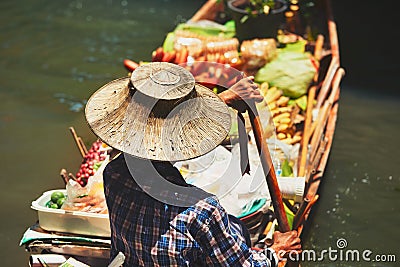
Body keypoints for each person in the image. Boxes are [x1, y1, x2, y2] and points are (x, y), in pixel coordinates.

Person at [84, 62, 301, 266]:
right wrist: (277, 250)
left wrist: (223, 100)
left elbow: (159, 131)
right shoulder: (202, 211)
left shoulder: (113, 173)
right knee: (238, 230)